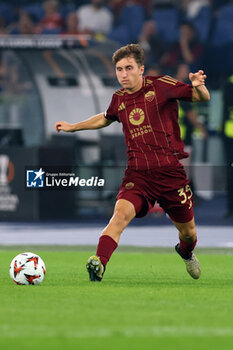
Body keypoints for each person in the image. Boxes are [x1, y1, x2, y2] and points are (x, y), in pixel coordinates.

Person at [55, 44, 210, 282]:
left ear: (141, 69)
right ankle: (99, 263)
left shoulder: (161, 85)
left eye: (128, 68)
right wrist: (74, 127)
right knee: (119, 216)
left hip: (170, 173)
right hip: (138, 175)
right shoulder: (118, 99)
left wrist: (199, 87)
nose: (123, 74)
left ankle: (186, 252)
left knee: (188, 233)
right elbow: (105, 119)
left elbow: (200, 97)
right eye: (119, 69)